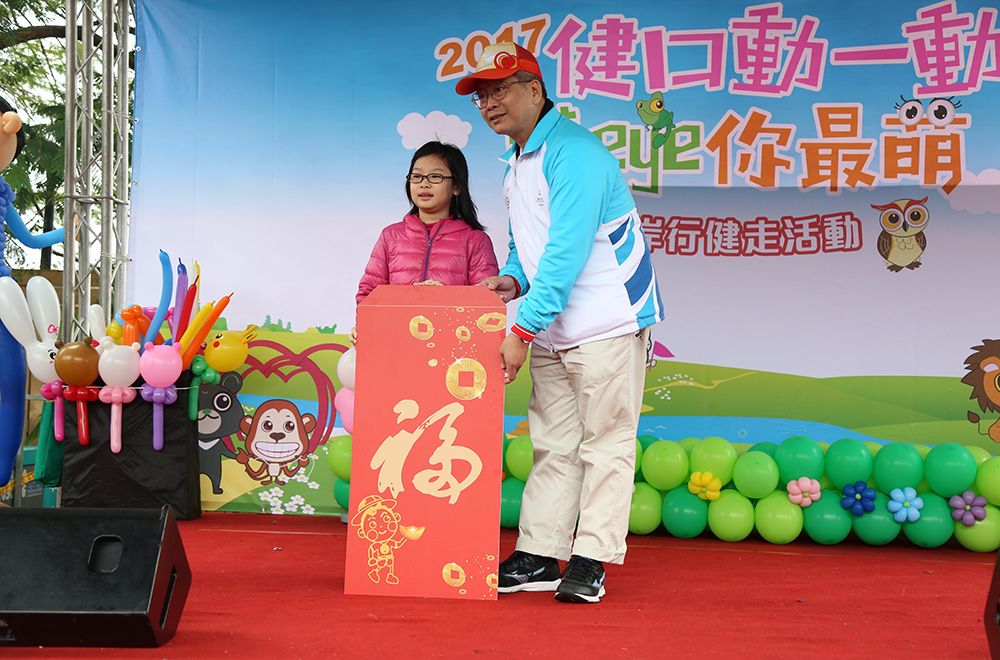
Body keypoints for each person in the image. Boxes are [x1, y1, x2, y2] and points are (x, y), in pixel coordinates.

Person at [456, 43, 664, 604]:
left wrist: (521, 330)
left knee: (606, 445)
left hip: (608, 322)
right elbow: (529, 244)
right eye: (481, 95)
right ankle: (541, 553)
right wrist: (513, 280)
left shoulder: (575, 153)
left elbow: (566, 252)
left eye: (500, 90)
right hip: (555, 327)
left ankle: (591, 559)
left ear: (535, 90)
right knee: (554, 445)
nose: (489, 103)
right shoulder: (517, 161)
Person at [352, 141, 499, 343]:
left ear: (457, 186)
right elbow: (368, 294)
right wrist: (366, 326)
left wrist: (443, 298)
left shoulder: (476, 240)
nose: (424, 184)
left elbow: (487, 303)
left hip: (452, 346)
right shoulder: (390, 236)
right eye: (417, 176)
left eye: (435, 177)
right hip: (396, 342)